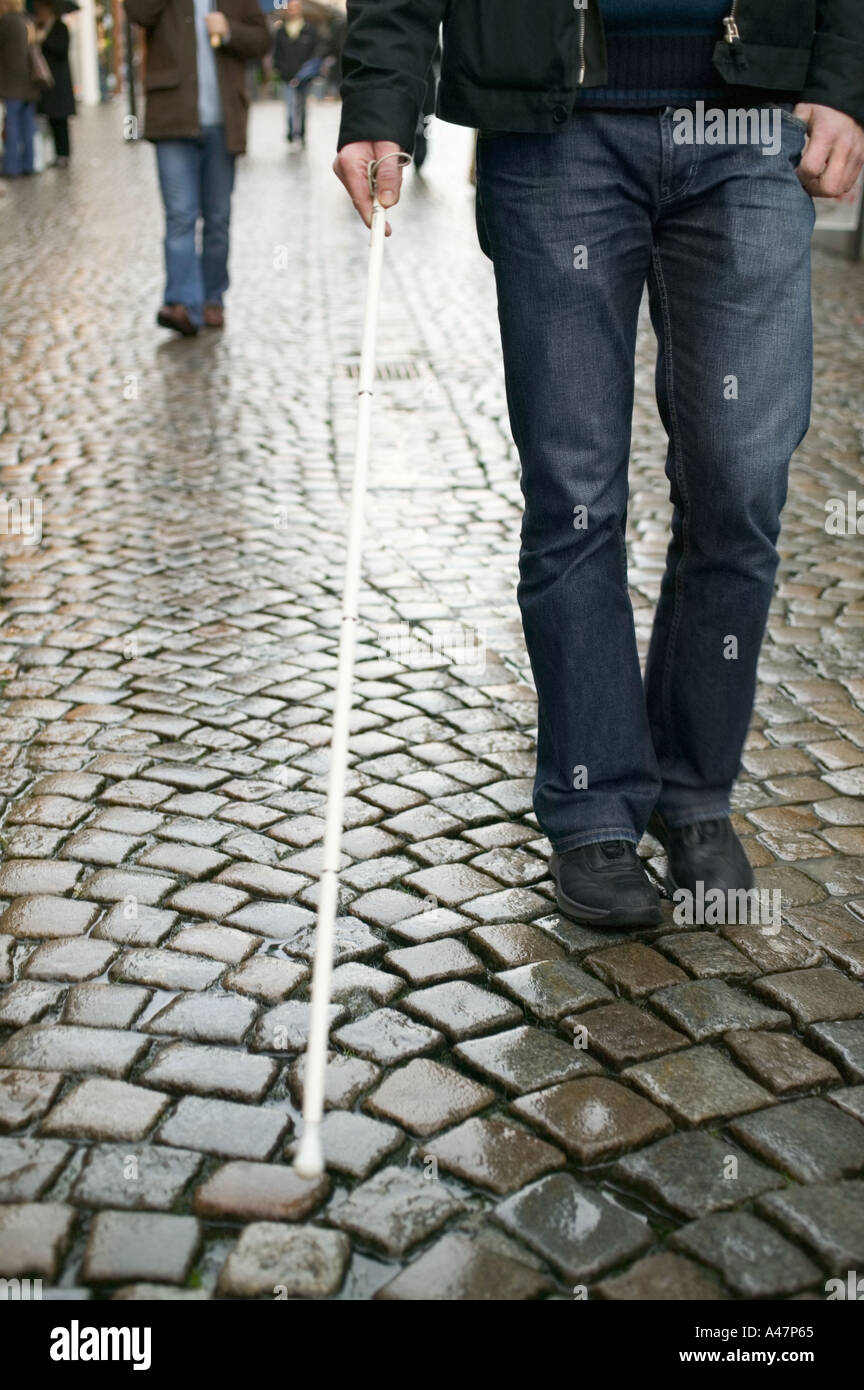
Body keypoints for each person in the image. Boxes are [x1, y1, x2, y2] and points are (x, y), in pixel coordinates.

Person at [335, 2, 864, 928]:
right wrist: (382, 98)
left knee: (742, 482)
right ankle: (593, 807)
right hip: (555, 125)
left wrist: (842, 83)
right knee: (575, 492)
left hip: (751, 118)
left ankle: (693, 791)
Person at [124, 0, 271, 336]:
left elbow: (262, 40)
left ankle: (211, 300)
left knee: (217, 219)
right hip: (172, 119)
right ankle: (182, 304)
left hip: (224, 123)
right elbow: (138, 13)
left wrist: (230, 31)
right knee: (180, 215)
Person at [0, 0, 39, 178]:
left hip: (13, 83)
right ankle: (28, 164)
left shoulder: (7, 22)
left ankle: (12, 166)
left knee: (12, 124)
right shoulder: (28, 21)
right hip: (29, 82)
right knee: (27, 125)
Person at [34, 0, 75, 168]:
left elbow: (62, 49)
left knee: (61, 120)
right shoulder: (40, 27)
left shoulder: (61, 27)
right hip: (48, 82)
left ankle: (64, 154)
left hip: (61, 80)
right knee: (52, 119)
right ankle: (57, 154)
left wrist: (44, 41)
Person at [272, 0, 318, 146]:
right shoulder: (281, 31)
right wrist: (280, 69)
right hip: (286, 75)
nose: (292, 10)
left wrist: (308, 71)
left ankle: (302, 133)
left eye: (295, 7)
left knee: (302, 106)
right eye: (290, 8)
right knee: (290, 105)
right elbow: (277, 53)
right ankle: (291, 133)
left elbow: (315, 52)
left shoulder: (309, 30)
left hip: (305, 76)